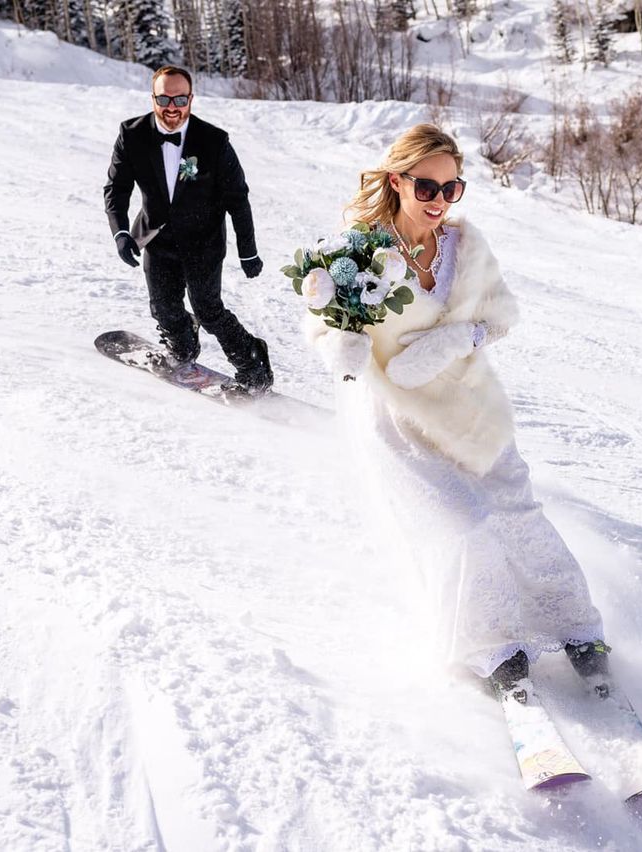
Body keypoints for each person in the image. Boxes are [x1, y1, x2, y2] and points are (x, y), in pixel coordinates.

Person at [303, 124, 614, 701]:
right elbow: (325, 324)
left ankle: (576, 629)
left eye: (452, 189)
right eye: (427, 188)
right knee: (462, 528)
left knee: (518, 512)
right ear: (397, 182)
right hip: (399, 419)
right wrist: (340, 348)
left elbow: (501, 317)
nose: (440, 203)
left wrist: (452, 341)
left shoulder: (466, 246)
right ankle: (489, 648)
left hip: (469, 404)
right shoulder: (358, 251)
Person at [104, 65, 273, 394]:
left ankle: (254, 366)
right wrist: (121, 232)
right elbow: (116, 188)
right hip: (156, 238)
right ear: (153, 98)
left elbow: (237, 199)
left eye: (180, 98)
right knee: (163, 306)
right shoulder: (132, 134)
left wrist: (248, 251)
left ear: (191, 98)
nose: (172, 106)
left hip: (203, 241)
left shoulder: (214, 141)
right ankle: (181, 348)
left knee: (208, 309)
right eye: (164, 98)